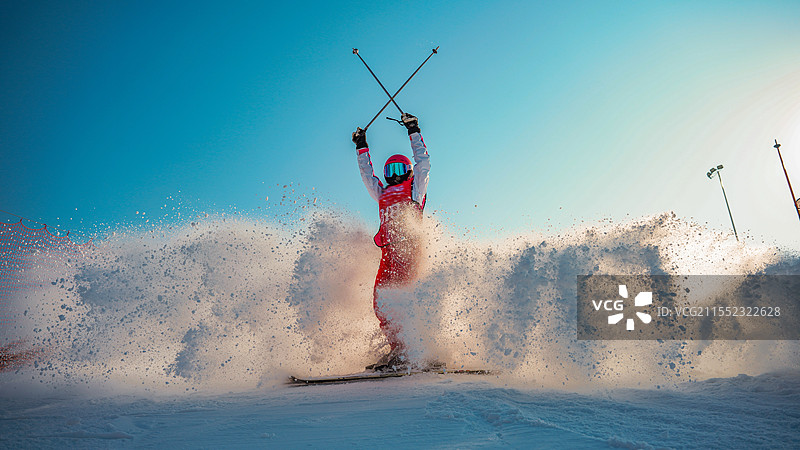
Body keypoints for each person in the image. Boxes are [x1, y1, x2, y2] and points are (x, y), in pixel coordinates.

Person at [352, 113, 430, 370]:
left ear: (407, 171)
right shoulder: (382, 193)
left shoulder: (414, 188)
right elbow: (367, 176)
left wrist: (413, 131)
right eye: (389, 170)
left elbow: (424, 163)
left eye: (399, 169)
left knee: (403, 299)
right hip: (388, 254)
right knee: (381, 302)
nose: (394, 175)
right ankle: (399, 349)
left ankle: (413, 349)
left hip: (409, 251)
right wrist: (362, 146)